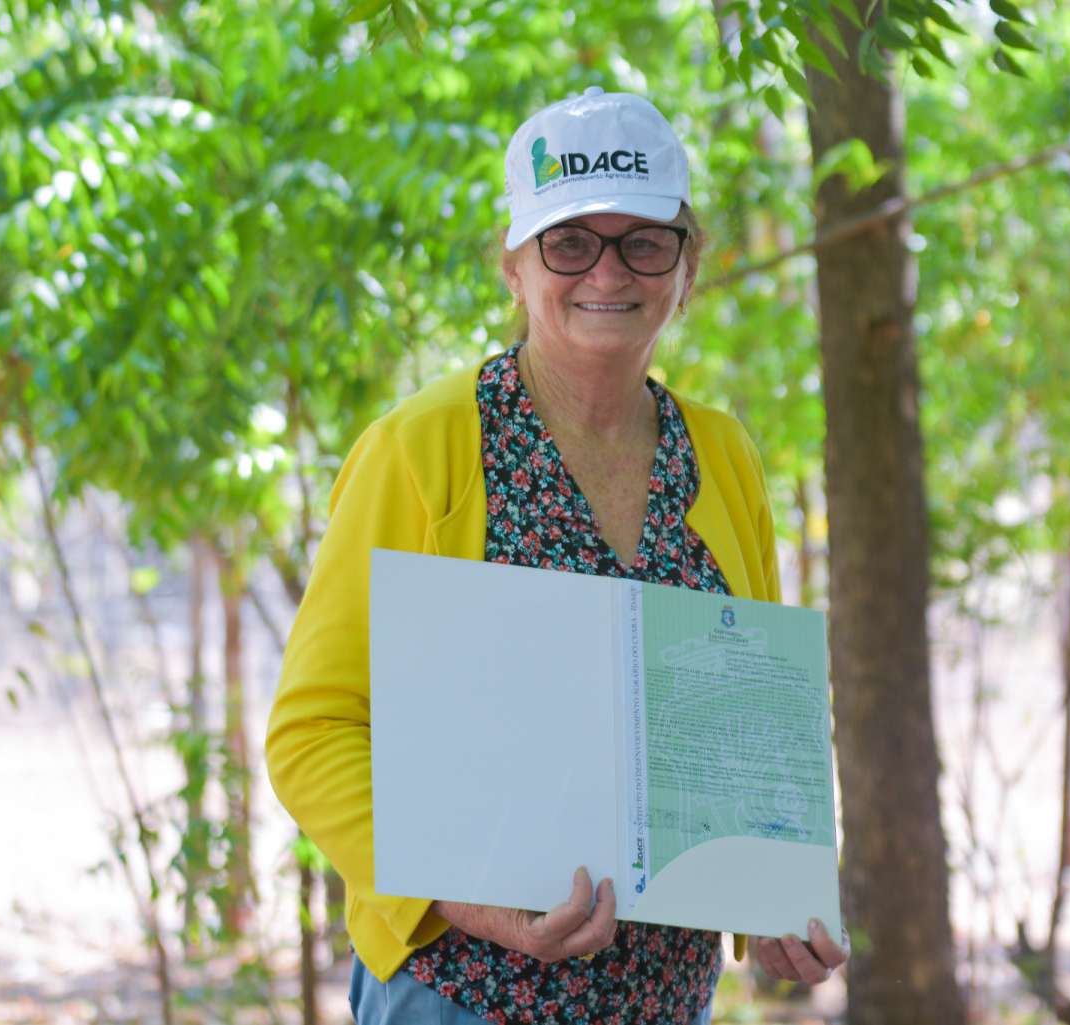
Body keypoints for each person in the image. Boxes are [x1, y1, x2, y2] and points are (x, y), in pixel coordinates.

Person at [265, 87, 846, 1025]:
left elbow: (754, 731)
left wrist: (781, 902)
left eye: (643, 242)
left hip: (664, 1003)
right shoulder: (420, 450)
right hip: (459, 995)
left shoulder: (725, 457)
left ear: (687, 266)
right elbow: (312, 732)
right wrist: (463, 897)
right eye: (570, 242)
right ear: (515, 264)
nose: (606, 272)